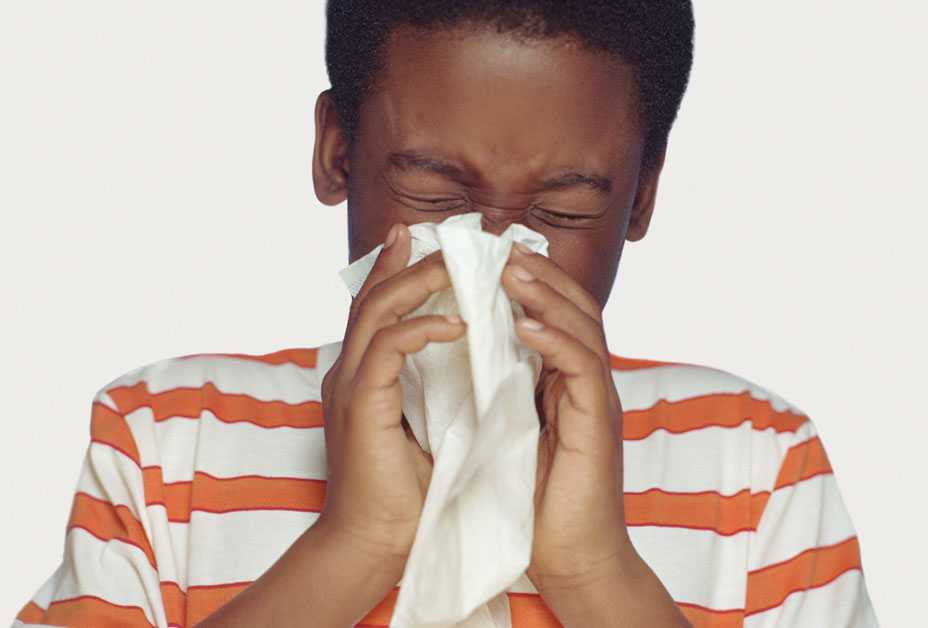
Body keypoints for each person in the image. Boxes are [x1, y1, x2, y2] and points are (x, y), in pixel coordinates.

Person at [12, 2, 880, 627]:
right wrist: (355, 543)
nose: (488, 256)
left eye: (563, 212)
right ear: (337, 152)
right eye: (433, 196)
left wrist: (595, 572)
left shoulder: (756, 464)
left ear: (641, 199)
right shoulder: (167, 440)